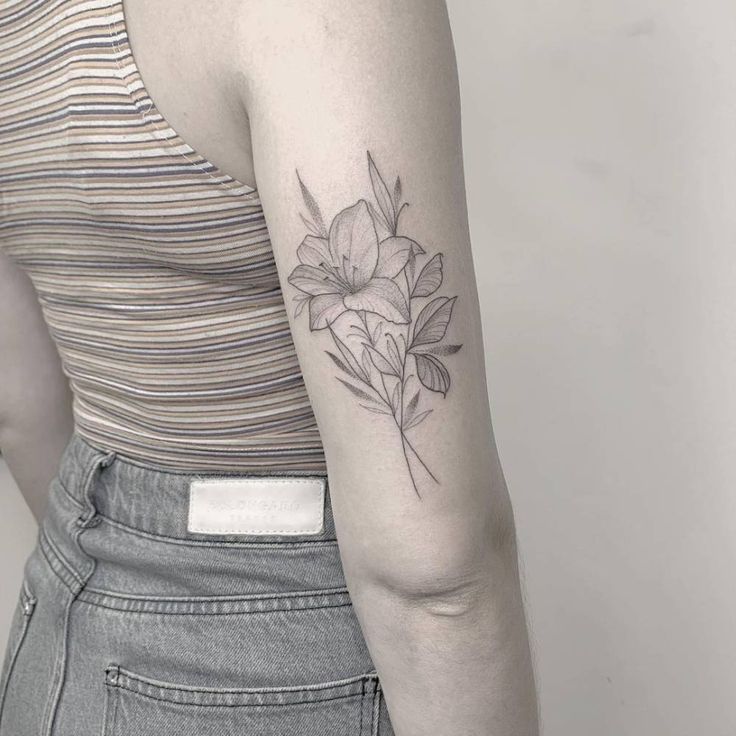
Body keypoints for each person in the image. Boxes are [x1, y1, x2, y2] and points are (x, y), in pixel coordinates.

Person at [0, 0, 539, 733]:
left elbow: (21, 409)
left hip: (56, 647)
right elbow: (434, 571)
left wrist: (135, 564)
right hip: (282, 675)